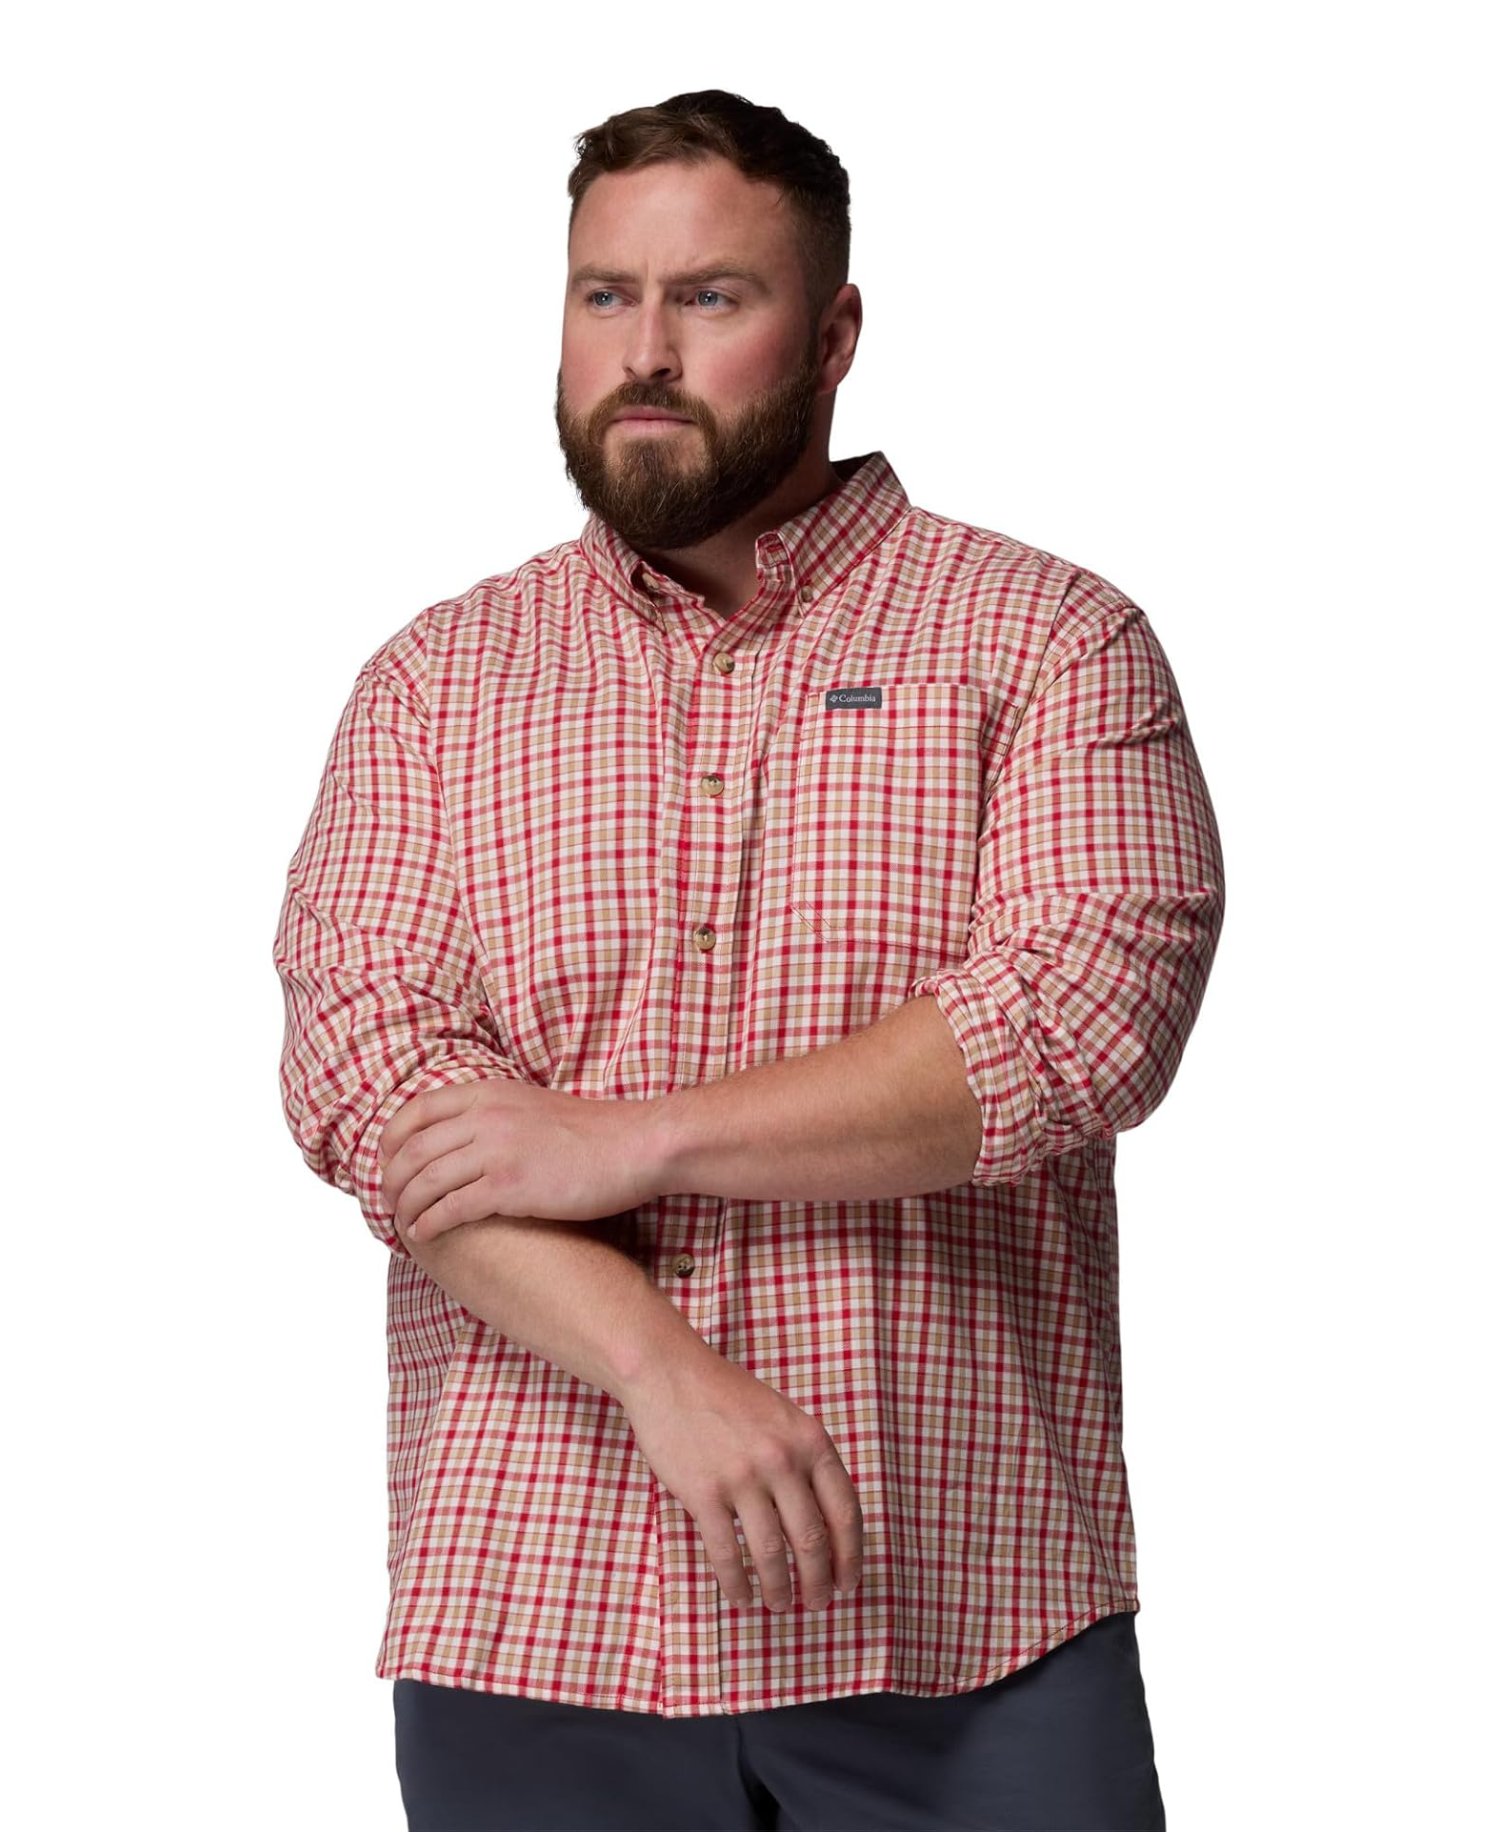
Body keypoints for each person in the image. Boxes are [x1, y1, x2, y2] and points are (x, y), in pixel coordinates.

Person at [273, 87, 1224, 1832]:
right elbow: (371, 1092)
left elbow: (1083, 1020)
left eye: (712, 297)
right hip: (532, 1621)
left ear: (835, 333)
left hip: (962, 1617)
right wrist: (657, 1365)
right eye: (605, 295)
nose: (645, 351)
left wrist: (625, 1140)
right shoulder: (434, 685)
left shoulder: (1048, 638)